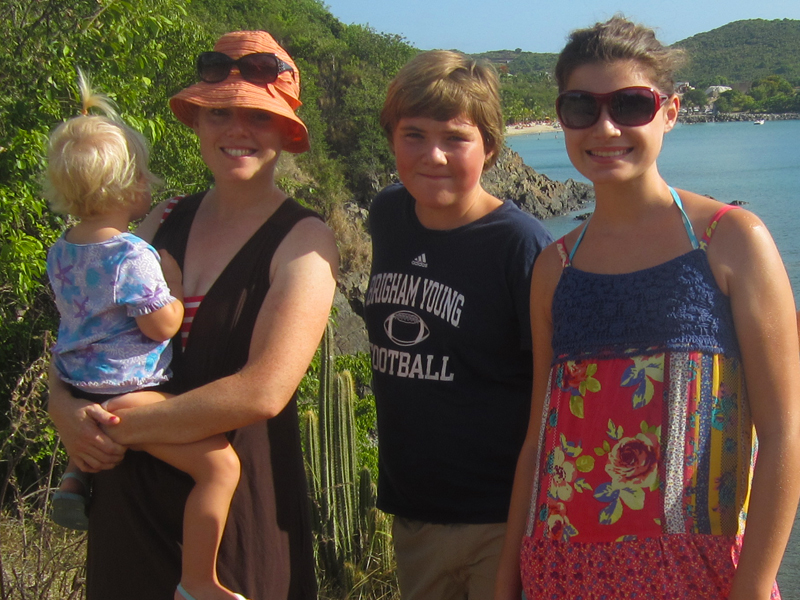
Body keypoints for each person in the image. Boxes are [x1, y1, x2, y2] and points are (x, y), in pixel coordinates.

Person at [495, 16, 800, 600]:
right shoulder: (555, 268)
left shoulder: (731, 241)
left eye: (631, 104)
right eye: (581, 107)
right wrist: (505, 584)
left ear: (670, 112)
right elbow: (539, 439)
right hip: (563, 573)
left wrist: (753, 586)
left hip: (700, 575)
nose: (605, 127)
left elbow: (785, 434)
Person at [48, 31, 338, 600]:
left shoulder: (304, 241)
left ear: (286, 130)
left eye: (258, 116)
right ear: (199, 123)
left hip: (234, 530)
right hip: (128, 517)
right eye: (220, 112)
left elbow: (262, 391)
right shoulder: (161, 219)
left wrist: (110, 424)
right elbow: (86, 330)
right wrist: (62, 408)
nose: (237, 130)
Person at [364, 50, 553, 599]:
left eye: (455, 138)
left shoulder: (520, 245)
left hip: (498, 519)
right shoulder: (388, 215)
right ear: (392, 138)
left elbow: (551, 392)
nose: (434, 155)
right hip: (414, 514)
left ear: (490, 147)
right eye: (414, 135)